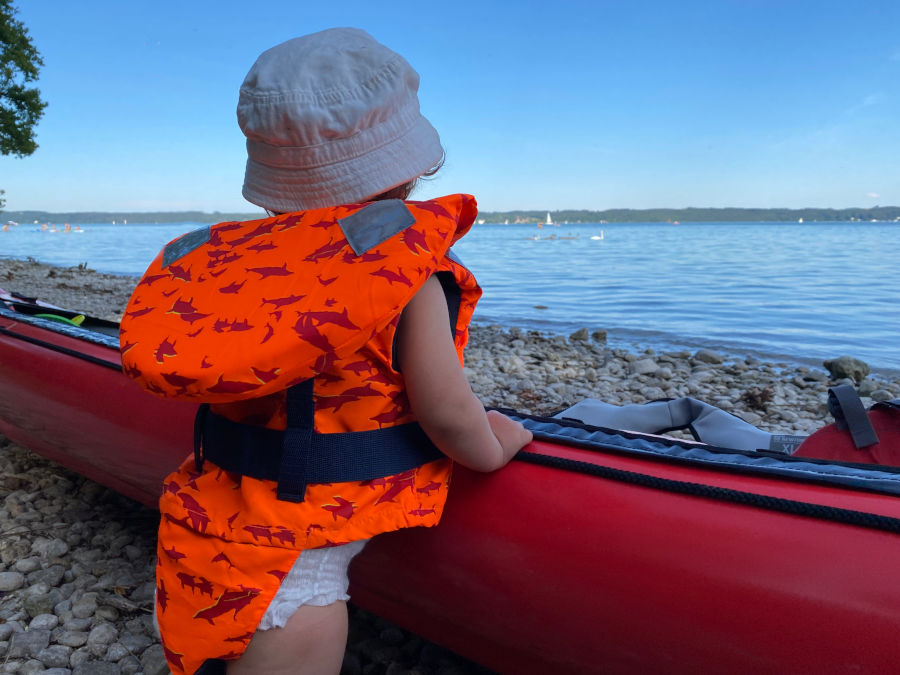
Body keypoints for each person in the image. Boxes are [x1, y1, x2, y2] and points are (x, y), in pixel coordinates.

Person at [120, 27, 532, 675]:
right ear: (409, 167)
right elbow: (448, 412)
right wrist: (497, 443)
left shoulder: (241, 268)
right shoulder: (402, 273)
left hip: (209, 511)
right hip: (300, 559)